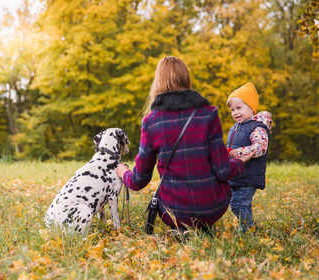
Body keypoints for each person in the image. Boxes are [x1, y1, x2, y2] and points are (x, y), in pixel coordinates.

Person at [116, 56, 254, 232]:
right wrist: (240, 163)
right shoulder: (208, 114)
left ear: (158, 81)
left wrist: (124, 172)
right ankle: (204, 226)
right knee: (208, 204)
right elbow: (223, 170)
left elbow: (138, 180)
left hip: (173, 211)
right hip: (212, 207)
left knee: (177, 212)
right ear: (186, 78)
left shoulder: (151, 122)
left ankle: (182, 230)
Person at [226, 82, 272, 232]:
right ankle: (246, 227)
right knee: (236, 203)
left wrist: (240, 152)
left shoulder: (257, 127)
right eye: (232, 109)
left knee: (239, 203)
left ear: (251, 108)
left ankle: (247, 230)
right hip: (238, 174)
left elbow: (260, 148)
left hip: (248, 175)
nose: (235, 112)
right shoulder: (235, 128)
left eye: (239, 108)